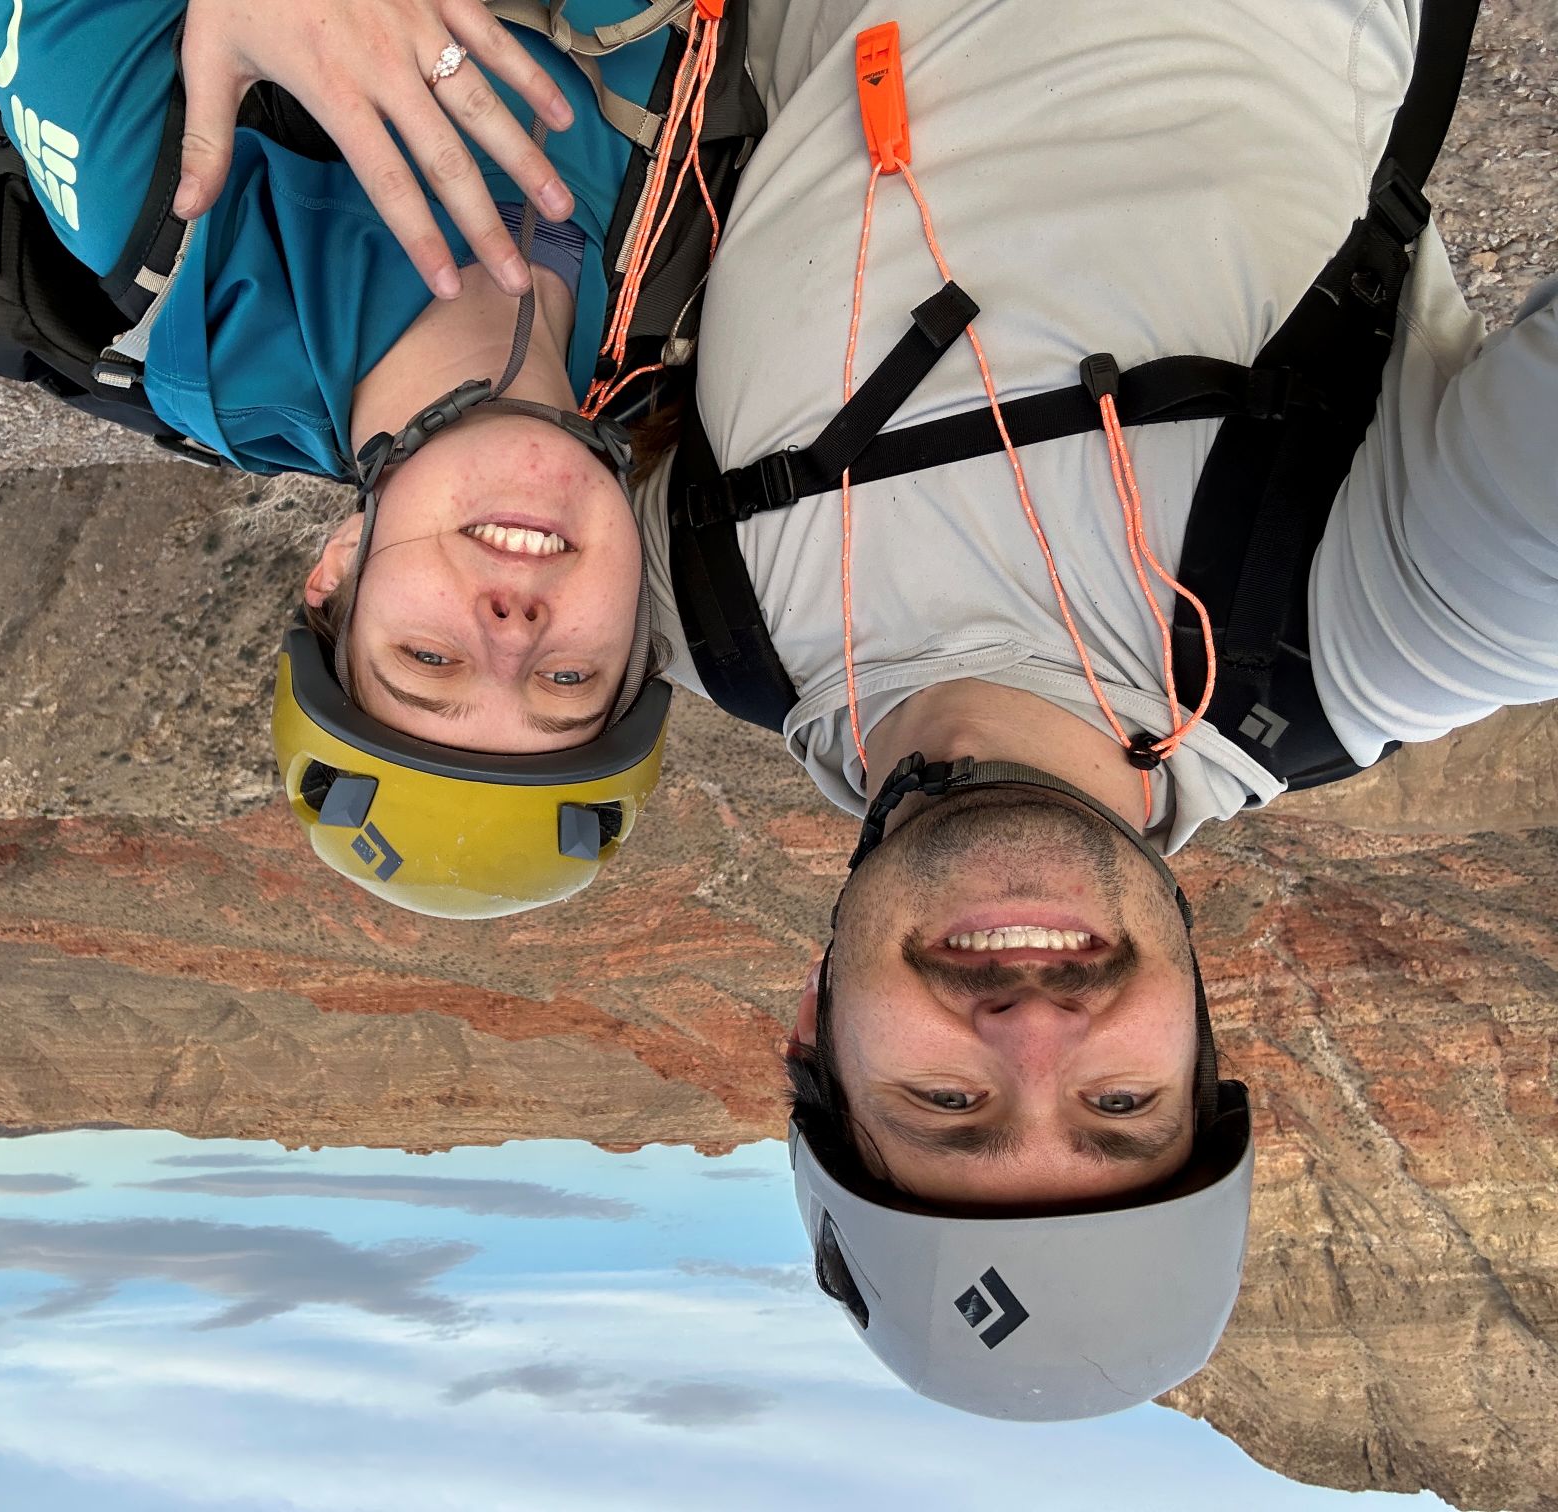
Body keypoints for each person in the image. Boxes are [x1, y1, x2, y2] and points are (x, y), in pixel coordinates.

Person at [627, 0, 1554, 1417]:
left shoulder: (692, 611)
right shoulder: (1358, 628)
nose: (1032, 1034)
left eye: (949, 1107)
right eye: (1120, 1109)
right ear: (1199, 1039)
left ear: (815, 1031)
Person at [0, 0, 763, 917]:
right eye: (565, 681)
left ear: (340, 567)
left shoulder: (176, 241)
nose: (513, 632)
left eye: (429, 658)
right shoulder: (709, 332)